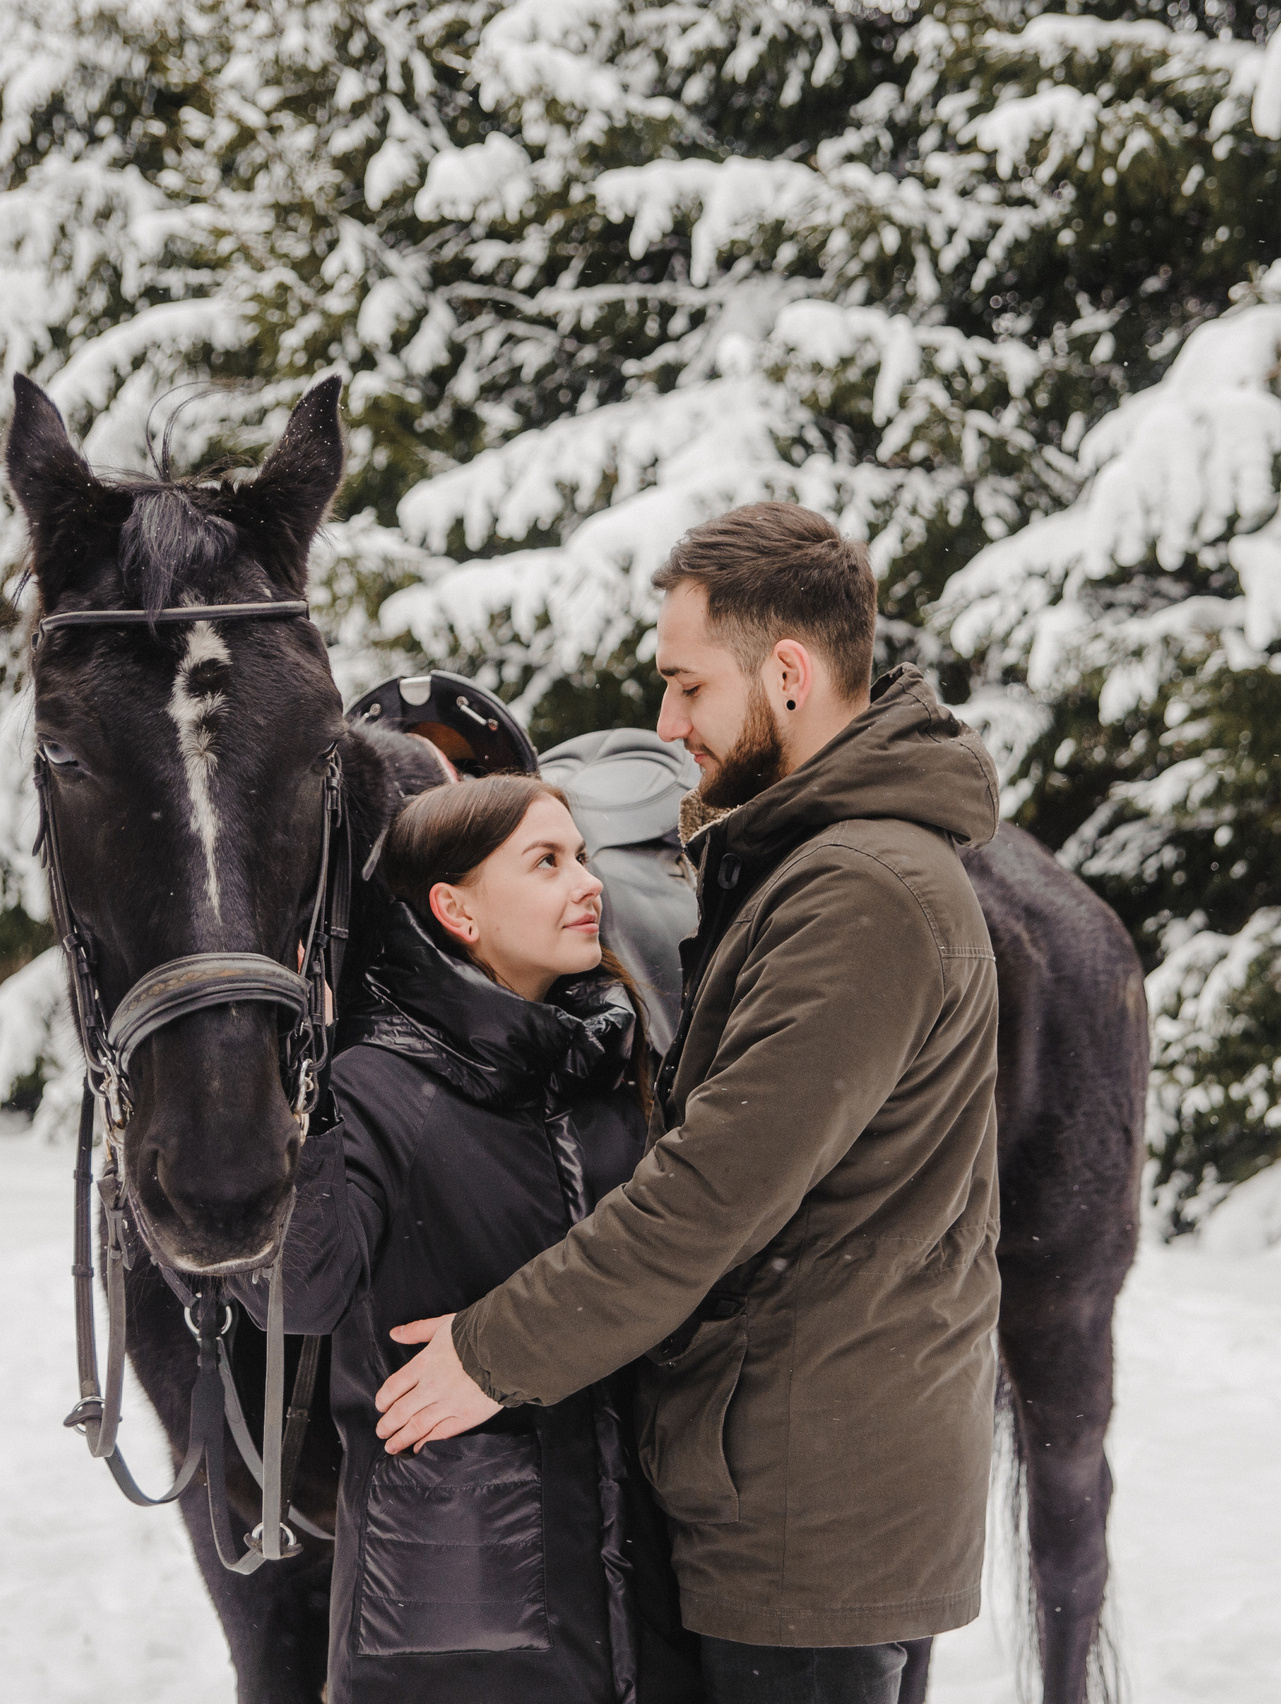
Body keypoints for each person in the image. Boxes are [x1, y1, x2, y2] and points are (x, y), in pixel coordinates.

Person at [373, 502, 1004, 1704]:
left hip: (808, 1516)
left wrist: (490, 1354)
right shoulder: (818, 866)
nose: (666, 727)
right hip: (784, 1479)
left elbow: (712, 1192)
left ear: (787, 673)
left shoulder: (861, 893)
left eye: (685, 688)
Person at [242, 773, 704, 1704]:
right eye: (547, 862)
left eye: (581, 856)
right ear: (455, 908)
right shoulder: (374, 1086)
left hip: (643, 1612)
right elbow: (294, 1290)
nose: (589, 884)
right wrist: (307, 1089)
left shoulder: (613, 1075)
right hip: (456, 1628)